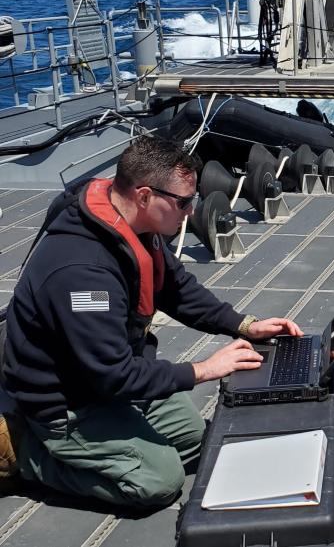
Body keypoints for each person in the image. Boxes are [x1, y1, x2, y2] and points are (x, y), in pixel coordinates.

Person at [0, 136, 302, 508]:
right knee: (158, 481)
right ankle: (26, 453)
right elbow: (113, 374)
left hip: (111, 379)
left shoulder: (134, 225)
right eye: (183, 202)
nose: (192, 211)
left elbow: (176, 288)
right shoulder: (83, 275)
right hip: (68, 403)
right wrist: (204, 369)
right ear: (144, 196)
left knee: (196, 440)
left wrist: (244, 325)